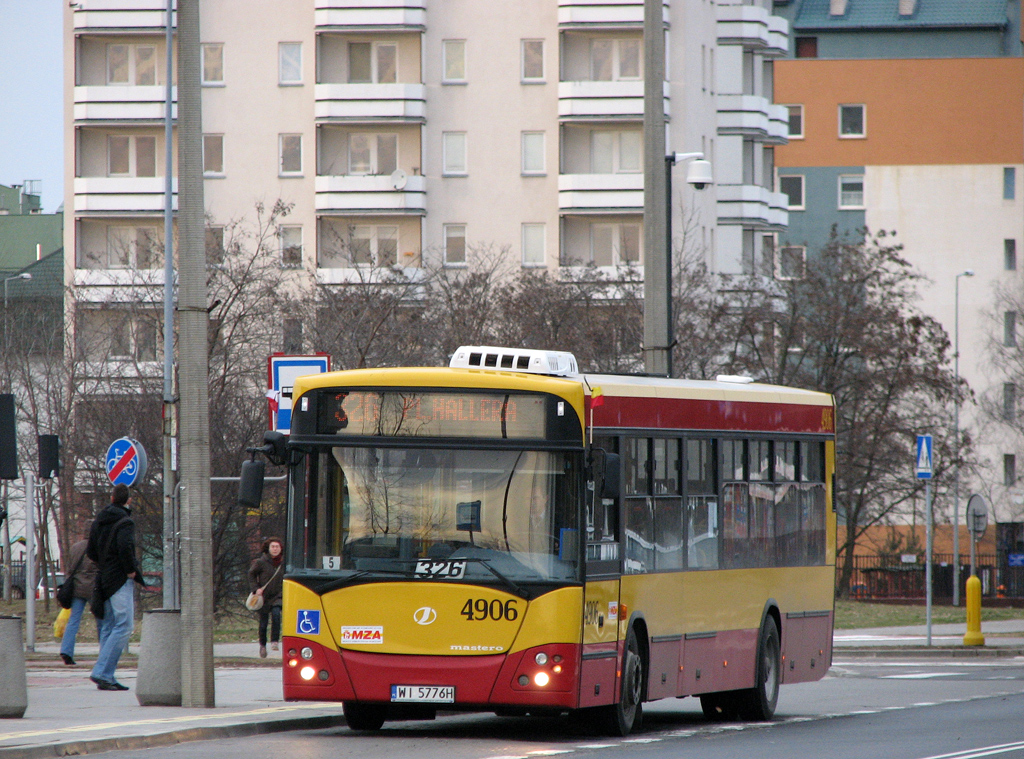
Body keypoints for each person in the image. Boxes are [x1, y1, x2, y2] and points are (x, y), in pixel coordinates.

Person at [86, 483, 146, 691]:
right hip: (120, 578)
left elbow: (91, 551)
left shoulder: (98, 521)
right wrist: (130, 570)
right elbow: (125, 548)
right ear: (127, 500)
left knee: (110, 626)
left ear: (112, 498)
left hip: (103, 578)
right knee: (124, 625)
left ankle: (107, 676)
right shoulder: (125, 522)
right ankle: (102, 672)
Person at [59, 538, 97, 666]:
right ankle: (105, 652)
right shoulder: (98, 546)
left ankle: (66, 650)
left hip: (76, 587)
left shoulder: (75, 547)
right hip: (93, 587)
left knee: (73, 621)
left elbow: (70, 567)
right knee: (102, 620)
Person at [248, 536, 284, 658]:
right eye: (272, 547)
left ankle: (274, 641)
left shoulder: (284, 562)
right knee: (263, 623)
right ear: (268, 548)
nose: (275, 549)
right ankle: (262, 645)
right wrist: (255, 588)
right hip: (263, 597)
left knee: (276, 615)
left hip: (278, 596)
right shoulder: (261, 562)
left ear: (281, 548)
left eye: (277, 547)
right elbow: (251, 575)